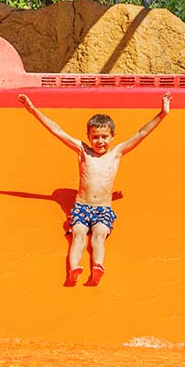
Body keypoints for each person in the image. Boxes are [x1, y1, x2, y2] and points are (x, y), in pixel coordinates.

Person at [18, 92, 171, 286]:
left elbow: (141, 133)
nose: (100, 141)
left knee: (98, 237)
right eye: (95, 137)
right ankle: (74, 268)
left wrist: (162, 113)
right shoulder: (83, 151)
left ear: (113, 136)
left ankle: (98, 267)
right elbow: (56, 130)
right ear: (88, 137)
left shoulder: (116, 153)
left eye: (104, 137)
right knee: (79, 236)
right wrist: (33, 110)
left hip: (103, 209)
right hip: (82, 208)